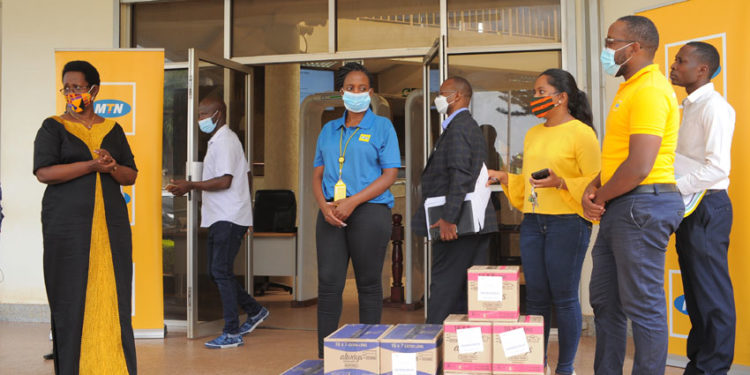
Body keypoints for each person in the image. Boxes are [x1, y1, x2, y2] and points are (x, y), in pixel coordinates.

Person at [583, 15, 683, 374]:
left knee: (643, 306)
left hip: (642, 203)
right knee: (606, 302)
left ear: (635, 47)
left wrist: (600, 196)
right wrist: (595, 184)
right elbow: (622, 158)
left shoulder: (651, 90)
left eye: (611, 42)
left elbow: (641, 164)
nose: (606, 49)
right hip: (624, 204)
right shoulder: (629, 88)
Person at [487, 69, 600, 375]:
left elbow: (594, 183)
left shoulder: (582, 133)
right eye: (534, 92)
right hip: (534, 222)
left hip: (568, 223)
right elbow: (528, 182)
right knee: (535, 297)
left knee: (563, 298)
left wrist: (561, 182)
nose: (534, 98)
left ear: (561, 97)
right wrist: (503, 177)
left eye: (540, 92)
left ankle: (565, 368)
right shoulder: (533, 133)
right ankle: (536, 364)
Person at [34, 60, 138, 374]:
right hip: (67, 230)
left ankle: (114, 366)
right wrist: (91, 166)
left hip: (110, 229)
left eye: (77, 87)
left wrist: (112, 166)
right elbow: (44, 172)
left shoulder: (112, 129)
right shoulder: (53, 127)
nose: (71, 93)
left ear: (94, 90)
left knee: (112, 294)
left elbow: (130, 175)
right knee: (70, 296)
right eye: (66, 88)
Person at [312, 62, 400, 358]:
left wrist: (352, 201)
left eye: (362, 88)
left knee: (368, 284)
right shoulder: (328, 129)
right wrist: (324, 206)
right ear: (341, 92)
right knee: (328, 285)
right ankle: (326, 357)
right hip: (330, 213)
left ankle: (368, 355)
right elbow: (316, 173)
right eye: (351, 88)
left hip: (370, 212)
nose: (357, 93)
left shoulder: (382, 126)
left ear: (370, 92)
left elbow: (389, 175)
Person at [167, 96, 268, 349]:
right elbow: (246, 175)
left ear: (218, 113)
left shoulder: (225, 141)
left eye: (204, 114)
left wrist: (190, 185)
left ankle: (232, 332)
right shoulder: (222, 140)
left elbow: (225, 181)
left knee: (220, 272)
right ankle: (254, 311)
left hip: (228, 216)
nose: (200, 119)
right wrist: (248, 213)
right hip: (227, 215)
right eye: (199, 115)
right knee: (217, 272)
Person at [670, 41, 736, 374]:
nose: (673, 65)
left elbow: (718, 168)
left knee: (712, 296)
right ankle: (699, 363)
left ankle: (713, 368)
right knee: (696, 295)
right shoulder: (690, 106)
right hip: (691, 207)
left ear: (702, 69)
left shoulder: (714, 107)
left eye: (681, 61)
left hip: (707, 205)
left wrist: (673, 189)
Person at [412, 76, 498, 325]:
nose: (438, 98)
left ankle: (433, 348)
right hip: (469, 226)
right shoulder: (463, 126)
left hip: (458, 226)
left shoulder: (460, 127)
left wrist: (449, 219)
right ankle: (456, 352)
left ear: (457, 96)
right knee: (463, 293)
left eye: (442, 93)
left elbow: (459, 175)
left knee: (444, 290)